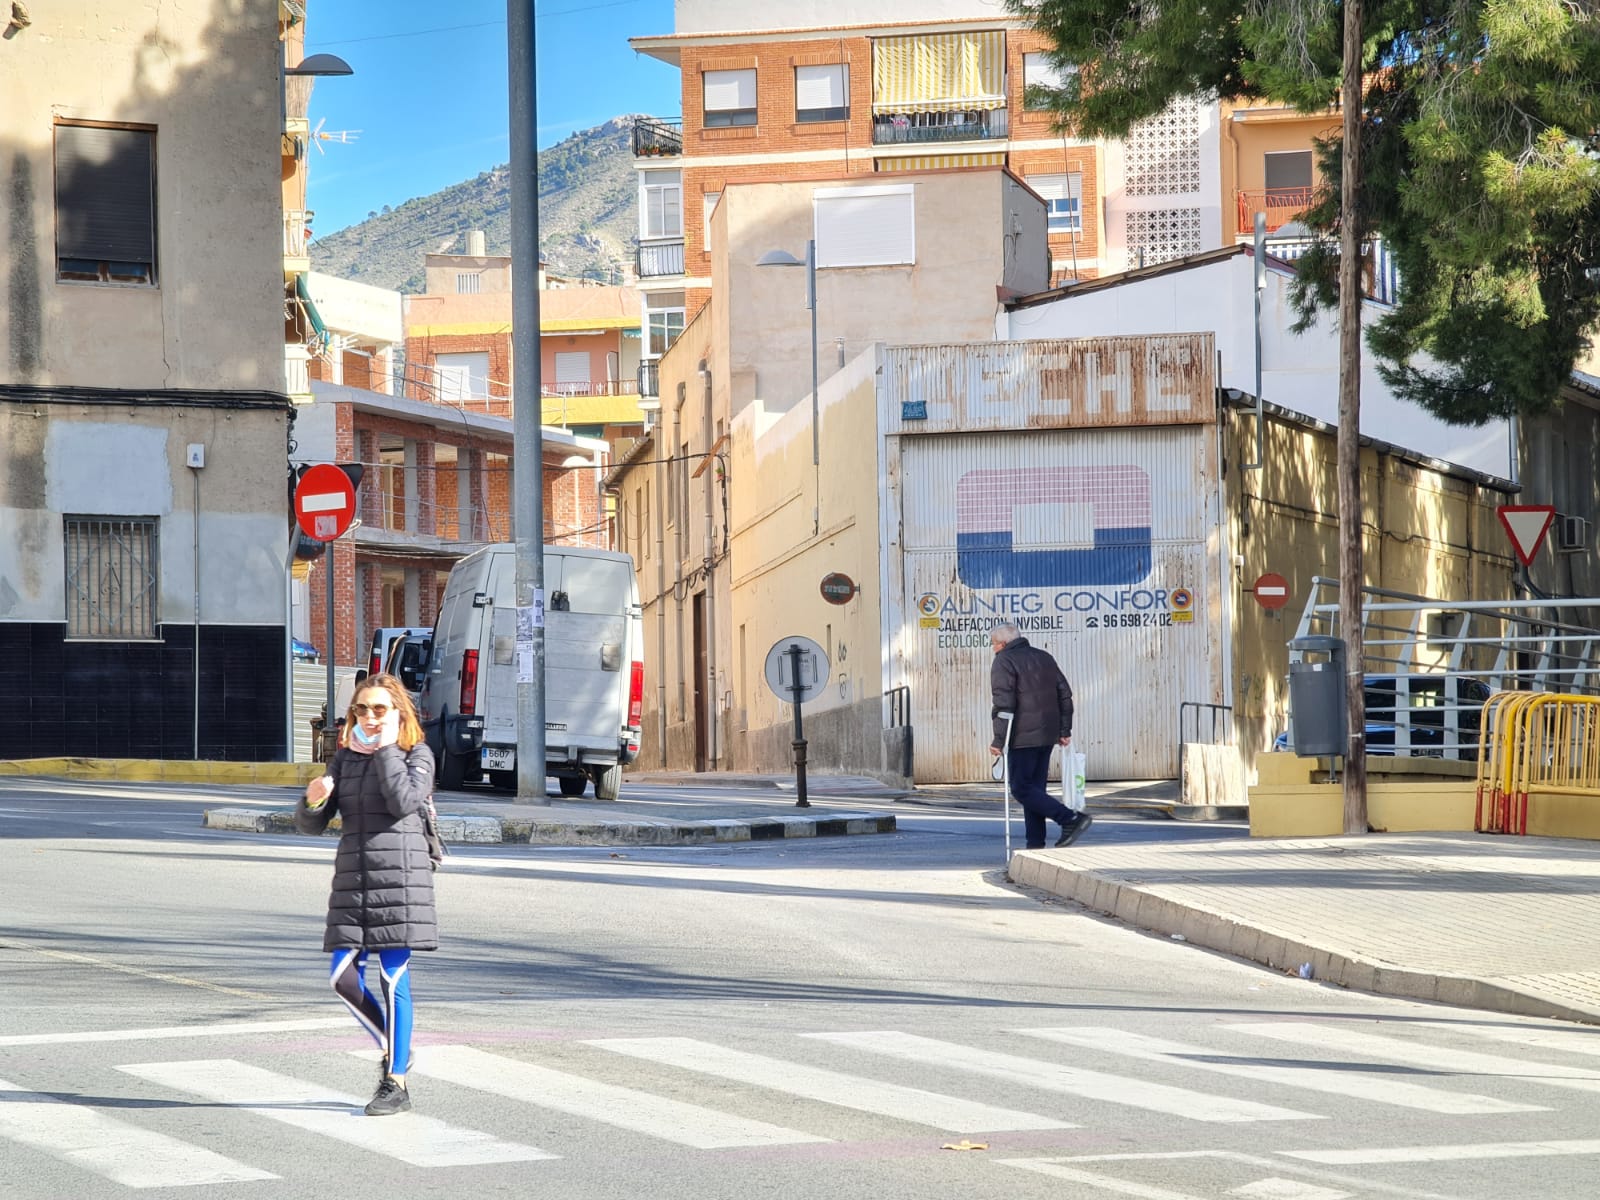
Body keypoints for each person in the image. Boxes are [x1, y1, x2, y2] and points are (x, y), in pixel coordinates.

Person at [296, 672, 437, 1117]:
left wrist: (388, 748)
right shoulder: (345, 758)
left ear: (398, 712)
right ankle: (397, 1046)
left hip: (400, 879)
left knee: (393, 978)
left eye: (379, 709)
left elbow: (402, 801)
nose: (370, 717)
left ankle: (395, 1081)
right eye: (362, 709)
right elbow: (313, 824)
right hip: (353, 879)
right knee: (341, 979)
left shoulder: (418, 755)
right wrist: (313, 801)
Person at [988, 622, 1092, 850]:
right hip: (1047, 735)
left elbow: (1004, 705)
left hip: (1022, 737)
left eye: (993, 644)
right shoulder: (1044, 657)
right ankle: (1035, 845)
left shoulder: (1003, 661)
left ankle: (1070, 819)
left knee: (1021, 788)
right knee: (1034, 790)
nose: (993, 649)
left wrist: (999, 740)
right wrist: (1064, 730)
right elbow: (1065, 695)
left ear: (1003, 643)